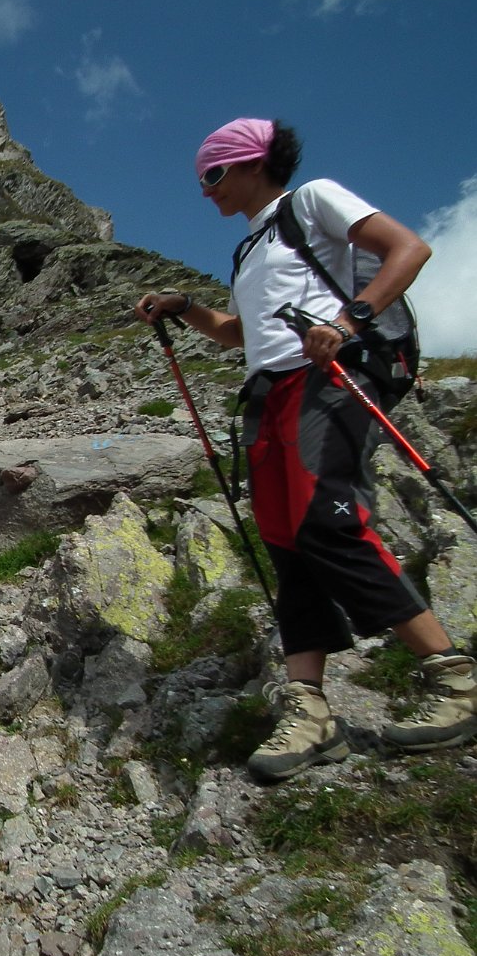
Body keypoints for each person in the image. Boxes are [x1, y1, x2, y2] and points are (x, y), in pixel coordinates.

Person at [134, 117, 475, 783]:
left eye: (214, 174)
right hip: (273, 387)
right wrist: (189, 310)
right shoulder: (249, 249)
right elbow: (243, 333)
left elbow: (408, 249)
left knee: (326, 517)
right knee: (287, 539)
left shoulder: (311, 201)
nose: (206, 191)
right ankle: (310, 711)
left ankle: (454, 676)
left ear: (253, 163)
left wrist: (349, 321)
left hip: (331, 373)